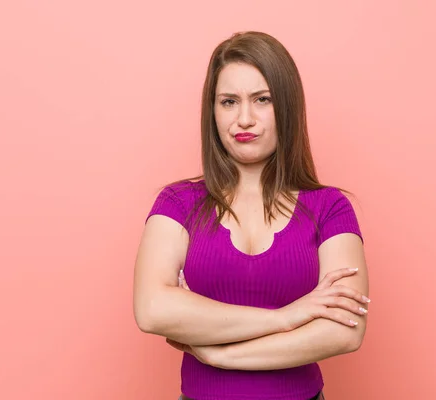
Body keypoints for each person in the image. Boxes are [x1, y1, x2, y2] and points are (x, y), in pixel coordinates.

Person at [133, 31, 370, 400]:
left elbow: (345, 330)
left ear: (287, 107)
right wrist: (286, 318)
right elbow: (152, 309)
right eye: (229, 101)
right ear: (212, 112)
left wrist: (221, 355)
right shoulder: (178, 203)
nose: (244, 118)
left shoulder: (330, 207)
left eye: (262, 100)